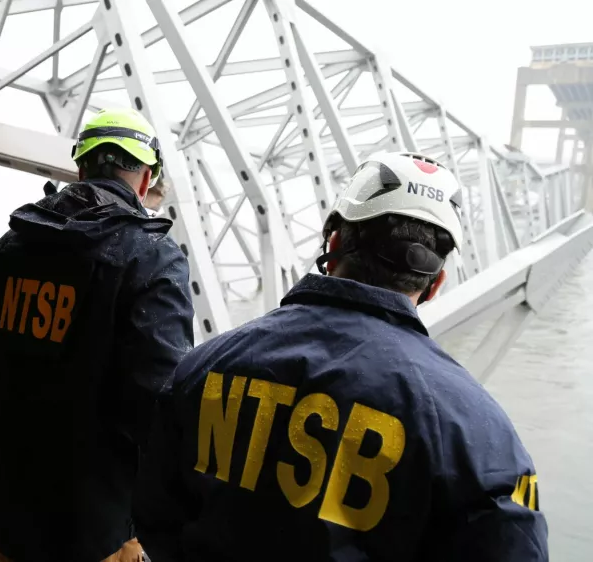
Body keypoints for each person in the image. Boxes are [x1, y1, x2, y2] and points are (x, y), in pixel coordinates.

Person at [134, 152, 550, 561]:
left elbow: (154, 514)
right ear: (436, 283)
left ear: (333, 244)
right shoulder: (477, 431)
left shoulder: (205, 366)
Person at [0, 107, 195, 562]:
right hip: (96, 522)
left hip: (9, 505)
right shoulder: (151, 256)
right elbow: (157, 401)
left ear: (80, 168)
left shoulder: (11, 247)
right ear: (145, 179)